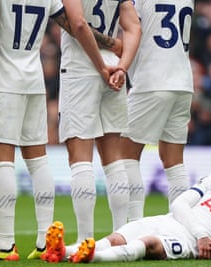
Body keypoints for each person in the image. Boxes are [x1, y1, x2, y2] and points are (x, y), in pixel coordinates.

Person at [0, 0, 125, 261]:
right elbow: (75, 27)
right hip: (33, 80)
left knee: (1, 161)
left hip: (1, 81)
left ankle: (6, 244)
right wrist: (112, 44)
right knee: (38, 161)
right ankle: (44, 241)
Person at [42, 139, 211, 263]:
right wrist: (203, 233)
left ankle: (89, 257)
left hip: (189, 241)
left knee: (146, 244)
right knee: (116, 238)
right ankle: (62, 252)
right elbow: (179, 205)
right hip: (170, 220)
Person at [58, 0, 141, 247]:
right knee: (114, 159)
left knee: (80, 157)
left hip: (82, 66)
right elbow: (134, 27)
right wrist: (122, 68)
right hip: (114, 66)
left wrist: (100, 66)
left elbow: (79, 24)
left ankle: (85, 238)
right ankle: (120, 234)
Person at [121, 0, 195, 221]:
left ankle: (133, 224)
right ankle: (182, 225)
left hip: (152, 80)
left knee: (125, 153)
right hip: (182, 82)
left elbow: (132, 33)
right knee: (174, 162)